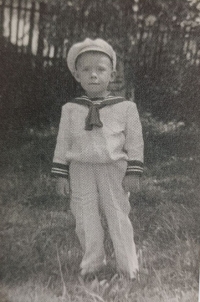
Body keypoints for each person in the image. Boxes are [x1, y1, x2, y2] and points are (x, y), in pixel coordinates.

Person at [51, 38, 144, 280]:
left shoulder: (125, 107)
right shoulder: (70, 109)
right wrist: (61, 174)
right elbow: (63, 142)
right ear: (77, 76)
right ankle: (92, 262)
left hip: (113, 169)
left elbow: (135, 141)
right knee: (84, 216)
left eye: (100, 69)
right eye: (86, 70)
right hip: (80, 169)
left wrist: (133, 170)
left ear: (112, 75)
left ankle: (128, 265)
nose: (93, 75)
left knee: (118, 214)